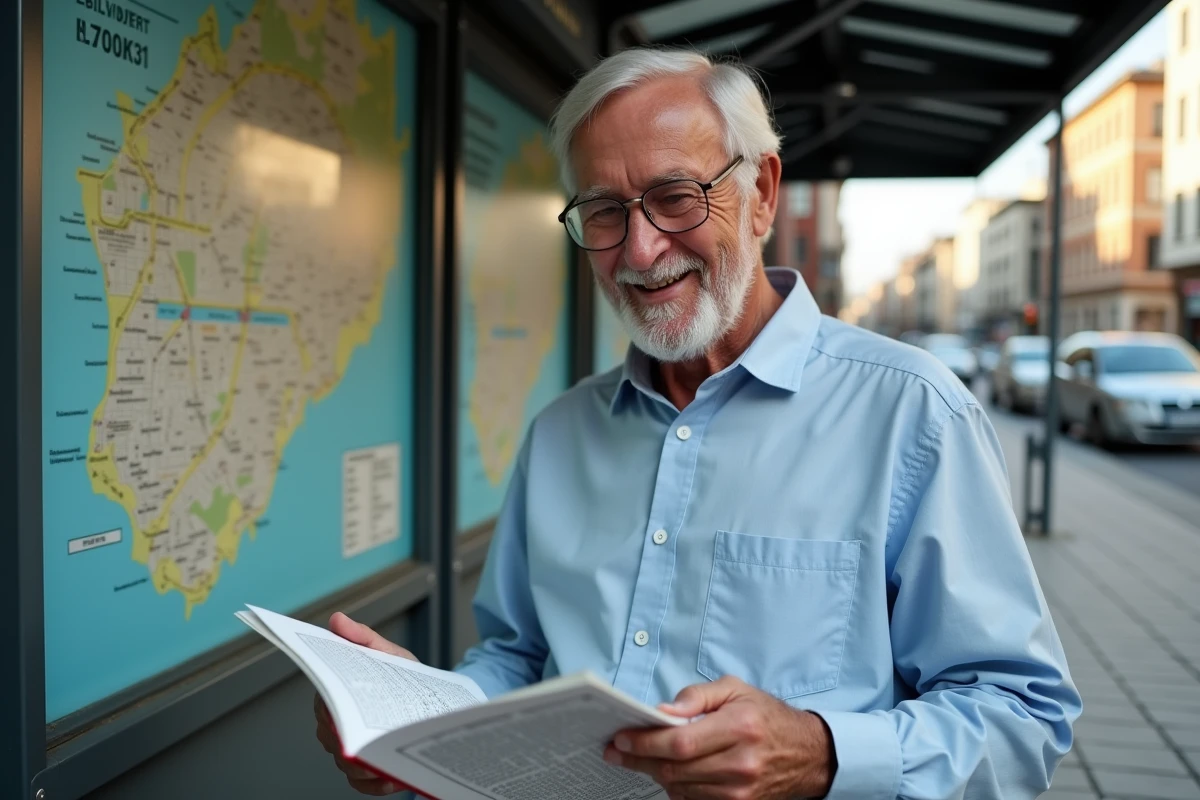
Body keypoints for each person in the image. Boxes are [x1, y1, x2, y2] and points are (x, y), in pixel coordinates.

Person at [315, 46, 1081, 799]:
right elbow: (519, 657)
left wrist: (823, 754)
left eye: (676, 197)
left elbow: (1022, 716)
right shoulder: (560, 432)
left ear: (763, 193)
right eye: (604, 211)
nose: (641, 249)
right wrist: (424, 721)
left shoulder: (911, 413)